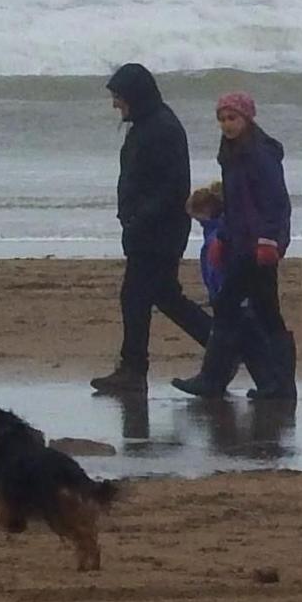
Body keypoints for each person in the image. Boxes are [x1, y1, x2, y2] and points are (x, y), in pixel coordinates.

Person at [92, 62, 214, 393]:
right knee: (165, 297)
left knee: (135, 296)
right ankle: (223, 348)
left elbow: (172, 188)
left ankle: (133, 371)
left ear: (135, 95)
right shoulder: (147, 125)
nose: (115, 104)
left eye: (119, 96)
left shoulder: (161, 129)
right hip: (151, 230)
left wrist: (138, 219)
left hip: (159, 232)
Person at [174, 91, 297, 400]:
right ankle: (275, 384)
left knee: (236, 307)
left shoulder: (260, 154)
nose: (227, 125)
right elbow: (234, 204)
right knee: (259, 311)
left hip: (259, 247)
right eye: (222, 119)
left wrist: (270, 241)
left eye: (233, 118)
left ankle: (219, 379)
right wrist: (223, 237)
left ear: (247, 119)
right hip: (242, 243)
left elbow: (276, 202)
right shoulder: (231, 153)